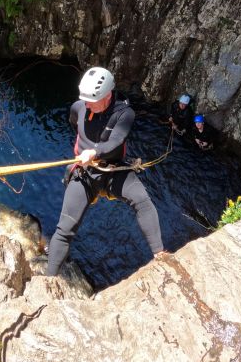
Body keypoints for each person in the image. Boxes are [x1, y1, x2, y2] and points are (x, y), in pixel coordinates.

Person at [46, 66, 164, 276]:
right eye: (85, 100)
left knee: (143, 201)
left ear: (107, 95)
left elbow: (117, 140)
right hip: (85, 172)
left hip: (113, 168)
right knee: (64, 230)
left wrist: (95, 152)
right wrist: (86, 153)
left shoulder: (124, 113)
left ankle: (161, 255)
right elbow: (75, 124)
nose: (87, 105)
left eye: (92, 100)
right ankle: (48, 279)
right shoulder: (79, 107)